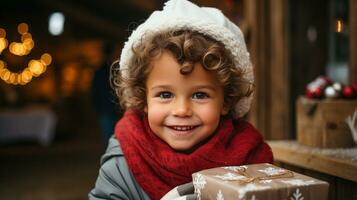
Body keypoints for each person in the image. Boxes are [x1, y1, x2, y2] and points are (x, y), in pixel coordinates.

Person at [89, 0, 273, 199]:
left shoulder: (252, 161)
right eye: (165, 95)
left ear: (226, 101)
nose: (182, 110)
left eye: (200, 95)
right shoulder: (121, 164)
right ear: (144, 99)